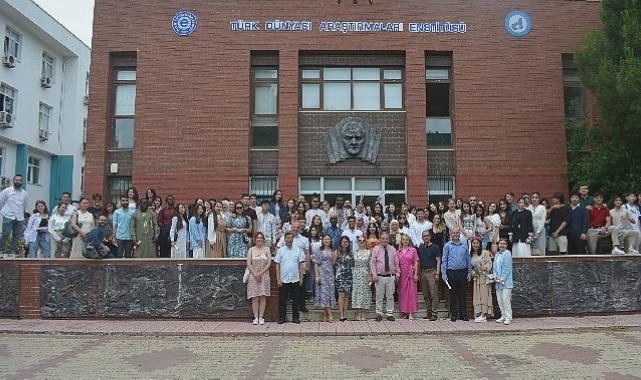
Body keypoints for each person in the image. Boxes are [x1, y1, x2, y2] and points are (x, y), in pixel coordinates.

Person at [441, 228, 472, 322]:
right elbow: (444, 260)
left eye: (457, 233)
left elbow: (468, 259)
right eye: (454, 233)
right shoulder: (447, 246)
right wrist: (444, 273)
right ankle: (453, 315)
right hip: (451, 272)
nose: (456, 234)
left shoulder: (464, 245)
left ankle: (463, 314)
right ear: (451, 233)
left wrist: (469, 272)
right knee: (452, 294)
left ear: (459, 234)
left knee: (463, 294)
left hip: (463, 272)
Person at [275, 232, 305, 324]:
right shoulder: (281, 250)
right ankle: (282, 318)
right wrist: (278, 279)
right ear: (285, 239)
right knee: (282, 300)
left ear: (293, 239)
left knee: (295, 299)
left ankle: (295, 318)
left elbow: (301, 265)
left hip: (295, 279)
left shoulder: (297, 250)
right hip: (283, 279)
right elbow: (277, 265)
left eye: (291, 238)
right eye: (287, 238)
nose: (289, 240)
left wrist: (301, 278)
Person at [370, 232, 400, 321]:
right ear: (380, 239)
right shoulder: (376, 249)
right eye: (383, 238)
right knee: (379, 296)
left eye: (386, 238)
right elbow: (372, 263)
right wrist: (374, 275)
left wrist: (397, 274)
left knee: (390, 296)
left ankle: (389, 313)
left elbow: (396, 263)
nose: (385, 240)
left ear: (389, 240)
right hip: (379, 277)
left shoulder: (393, 249)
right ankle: (379, 313)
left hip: (390, 276)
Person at [0, 175, 28, 257]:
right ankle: (1, 250)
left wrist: (22, 216)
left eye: (20, 180)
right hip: (8, 215)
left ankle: (12, 251)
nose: (18, 181)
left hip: (19, 217)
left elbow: (24, 205)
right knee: (6, 233)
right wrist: (3, 211)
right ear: (13, 181)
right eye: (16, 180)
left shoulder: (24, 194)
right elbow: (1, 201)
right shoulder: (7, 191)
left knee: (16, 235)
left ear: (22, 182)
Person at [247, 232, 271, 325]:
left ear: (263, 239)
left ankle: (261, 317)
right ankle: (255, 317)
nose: (259, 239)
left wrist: (261, 273)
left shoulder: (267, 249)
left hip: (264, 275)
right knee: (254, 297)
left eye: (261, 238)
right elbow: (249, 264)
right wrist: (255, 274)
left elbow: (269, 263)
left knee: (262, 296)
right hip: (253, 276)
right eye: (257, 238)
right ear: (255, 239)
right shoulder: (251, 250)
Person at [417, 230, 441, 321]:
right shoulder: (421, 247)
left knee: (433, 294)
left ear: (430, 237)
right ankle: (429, 312)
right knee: (426, 294)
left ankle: (435, 313)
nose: (426, 237)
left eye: (427, 236)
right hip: (423, 272)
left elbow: (438, 260)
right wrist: (418, 273)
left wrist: (437, 273)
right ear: (422, 238)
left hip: (432, 271)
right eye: (424, 236)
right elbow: (419, 261)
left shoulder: (435, 247)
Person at [470, 238, 494, 323]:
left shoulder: (485, 253)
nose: (475, 245)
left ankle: (484, 315)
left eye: (477, 243)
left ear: (480, 244)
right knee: (477, 296)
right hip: (476, 279)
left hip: (484, 277)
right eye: (474, 243)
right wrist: (473, 272)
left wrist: (483, 268)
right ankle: (479, 313)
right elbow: (471, 267)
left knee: (484, 296)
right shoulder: (471, 254)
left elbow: (489, 264)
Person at [314, 234, 337, 322]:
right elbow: (316, 264)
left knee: (329, 294)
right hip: (322, 274)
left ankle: (325, 314)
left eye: (328, 239)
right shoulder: (319, 251)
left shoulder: (333, 250)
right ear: (322, 240)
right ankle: (330, 315)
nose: (327, 241)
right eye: (325, 239)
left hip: (330, 274)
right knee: (323, 294)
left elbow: (333, 263)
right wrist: (317, 276)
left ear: (330, 240)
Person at [397, 234, 419, 320]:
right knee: (403, 293)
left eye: (407, 240)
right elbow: (396, 264)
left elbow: (416, 262)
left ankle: (410, 313)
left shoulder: (413, 250)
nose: (405, 241)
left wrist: (416, 273)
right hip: (402, 274)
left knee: (411, 293)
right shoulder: (398, 251)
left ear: (409, 241)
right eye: (403, 240)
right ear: (401, 241)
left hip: (411, 274)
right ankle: (404, 312)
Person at [493, 238, 514, 325]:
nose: (502, 245)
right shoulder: (497, 254)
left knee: (506, 300)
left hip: (506, 282)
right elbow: (494, 267)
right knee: (500, 300)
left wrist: (502, 278)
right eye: (500, 244)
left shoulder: (507, 253)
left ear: (506, 245)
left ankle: (508, 317)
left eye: (504, 244)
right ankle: (503, 316)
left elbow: (507, 268)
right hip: (498, 282)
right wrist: (495, 277)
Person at [351, 236, 372, 321]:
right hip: (356, 274)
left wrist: (370, 275)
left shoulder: (369, 252)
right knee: (357, 292)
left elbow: (370, 265)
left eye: (363, 241)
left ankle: (363, 312)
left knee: (365, 292)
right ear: (358, 242)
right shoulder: (354, 252)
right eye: (360, 241)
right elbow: (352, 264)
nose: (361, 242)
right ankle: (358, 311)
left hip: (365, 273)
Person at [335, 236, 354, 321]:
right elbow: (333, 262)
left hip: (348, 275)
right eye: (343, 241)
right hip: (340, 275)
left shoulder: (350, 252)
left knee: (346, 295)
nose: (345, 243)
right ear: (341, 242)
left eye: (346, 241)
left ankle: (345, 313)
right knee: (341, 295)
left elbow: (353, 264)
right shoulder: (337, 252)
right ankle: (341, 314)